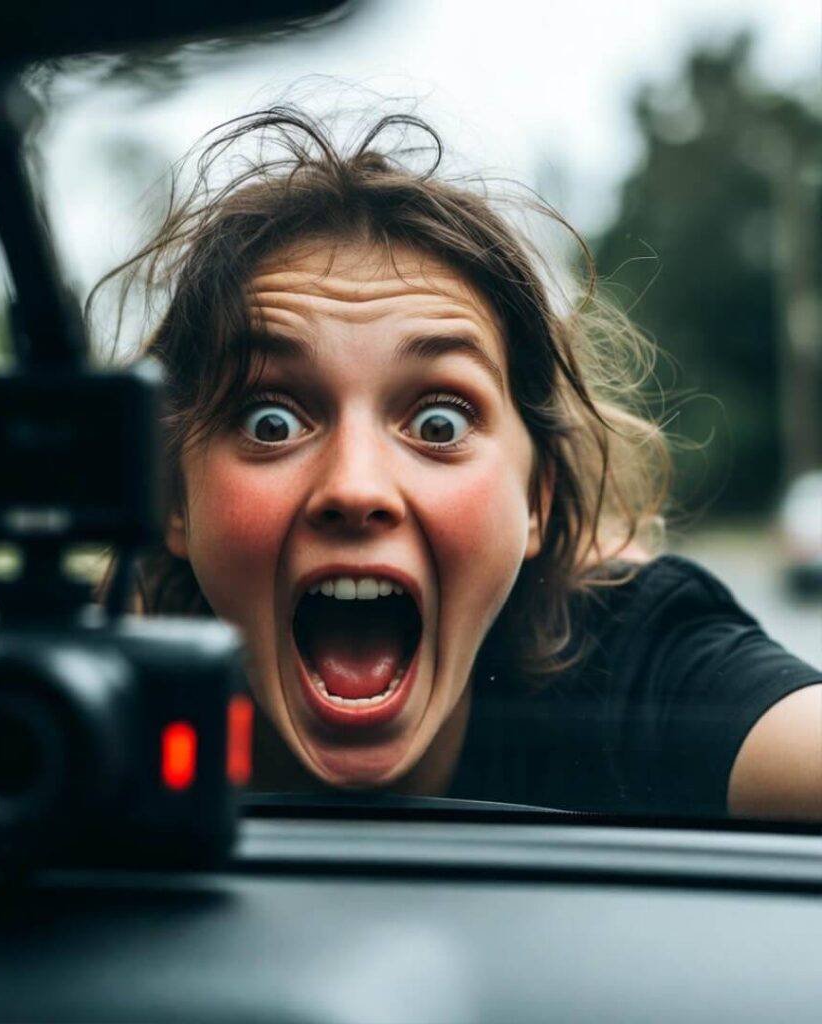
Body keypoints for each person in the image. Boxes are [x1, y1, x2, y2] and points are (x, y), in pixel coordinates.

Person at [91, 110, 821, 820]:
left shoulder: (632, 667)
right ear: (175, 501)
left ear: (536, 499)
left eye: (439, 422)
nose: (355, 488)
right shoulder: (86, 704)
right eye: (271, 421)